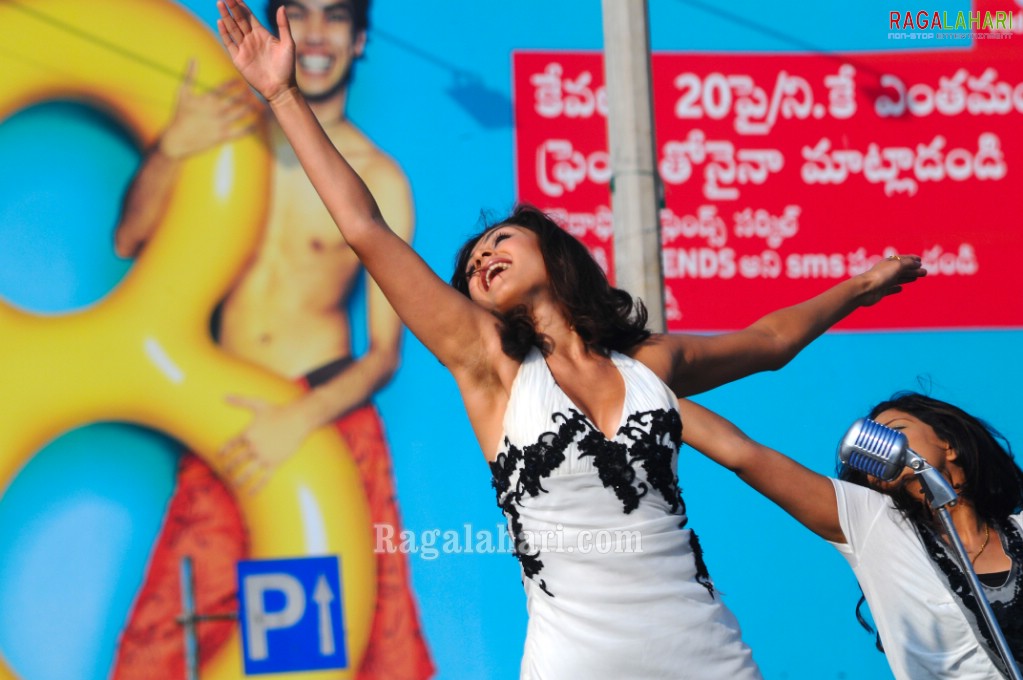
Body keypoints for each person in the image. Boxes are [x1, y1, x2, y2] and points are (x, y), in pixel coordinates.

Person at [214, 0, 927, 676]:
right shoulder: (490, 368)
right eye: (470, 267)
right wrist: (282, 97)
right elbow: (367, 232)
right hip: (574, 664)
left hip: (704, 652)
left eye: (500, 242)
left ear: (554, 256)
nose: (481, 258)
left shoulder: (649, 365)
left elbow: (769, 341)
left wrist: (861, 287)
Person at [112, 1, 434, 678]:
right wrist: (172, 146)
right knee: (170, 638)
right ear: (271, 31)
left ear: (361, 39)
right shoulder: (223, 137)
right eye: (298, 15)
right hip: (226, 420)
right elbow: (128, 239)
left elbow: (383, 353)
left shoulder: (378, 179)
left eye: (334, 17)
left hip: (318, 421)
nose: (315, 36)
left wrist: (299, 421)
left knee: (305, 652)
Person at [678, 392, 1023, 679]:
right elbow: (743, 453)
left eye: (896, 430)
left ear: (948, 444)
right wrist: (639, 385)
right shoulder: (874, 524)